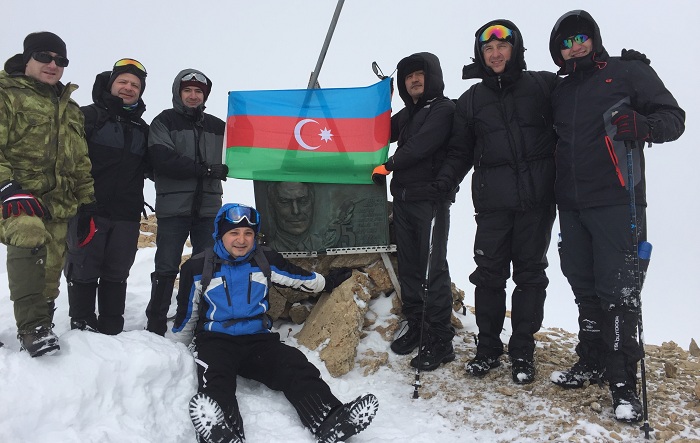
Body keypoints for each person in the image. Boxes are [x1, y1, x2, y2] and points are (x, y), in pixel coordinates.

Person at [547, 10, 684, 422]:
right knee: (582, 283)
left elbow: (673, 118)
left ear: (595, 39)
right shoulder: (560, 89)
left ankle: (623, 384)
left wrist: (644, 125)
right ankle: (591, 360)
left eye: (581, 38)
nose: (575, 47)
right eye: (566, 42)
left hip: (617, 199)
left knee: (619, 292)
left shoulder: (627, 72)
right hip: (570, 204)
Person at [170, 203, 378, 443]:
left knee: (294, 364)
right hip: (216, 341)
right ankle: (222, 432)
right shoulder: (197, 267)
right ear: (220, 234)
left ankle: (330, 419)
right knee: (215, 378)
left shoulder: (264, 260)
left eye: (248, 233)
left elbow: (299, 278)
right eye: (234, 233)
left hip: (258, 341)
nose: (242, 240)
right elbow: (187, 315)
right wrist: (174, 350)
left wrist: (327, 283)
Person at [437, 20, 558, 384]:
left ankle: (522, 351)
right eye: (488, 49)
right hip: (492, 205)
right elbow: (460, 151)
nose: (495, 54)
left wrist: (618, 69)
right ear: (481, 54)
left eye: (501, 46)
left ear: (514, 48)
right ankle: (488, 348)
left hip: (537, 202)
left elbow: (583, 94)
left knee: (530, 276)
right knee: (489, 277)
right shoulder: (472, 100)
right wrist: (446, 180)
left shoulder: (543, 85)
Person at [0, 32, 95, 356]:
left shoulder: (71, 109)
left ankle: (44, 320)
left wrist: (87, 204)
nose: (53, 65)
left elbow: (80, 160)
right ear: (27, 58)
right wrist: (7, 187)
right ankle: (33, 329)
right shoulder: (6, 93)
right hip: (14, 195)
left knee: (52, 270)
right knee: (28, 233)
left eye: (61, 60)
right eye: (45, 56)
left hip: (57, 203)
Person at [371, 52, 456, 371]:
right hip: (404, 201)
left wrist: (388, 165)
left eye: (420, 74)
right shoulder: (406, 115)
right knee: (409, 267)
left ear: (432, 76)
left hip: (430, 201)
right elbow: (379, 131)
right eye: (408, 77)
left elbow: (423, 145)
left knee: (433, 269)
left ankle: (440, 338)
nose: (414, 80)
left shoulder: (444, 109)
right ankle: (418, 326)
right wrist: (383, 98)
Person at [63, 58, 149, 334]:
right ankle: (82, 325)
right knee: (84, 268)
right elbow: (67, 159)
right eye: (122, 82)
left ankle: (113, 328)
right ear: (110, 84)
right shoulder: (88, 116)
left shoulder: (142, 129)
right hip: (89, 209)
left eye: (135, 85)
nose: (128, 88)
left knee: (117, 272)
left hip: (126, 214)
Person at [145, 69, 228, 335]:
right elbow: (162, 159)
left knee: (205, 266)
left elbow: (242, 152)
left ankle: (198, 319)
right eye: (187, 90)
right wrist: (204, 170)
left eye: (198, 91)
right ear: (178, 93)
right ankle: (155, 322)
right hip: (173, 208)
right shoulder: (164, 122)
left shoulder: (219, 127)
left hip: (208, 209)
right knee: (167, 266)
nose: (193, 96)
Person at [265, 181, 323, 252]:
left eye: (303, 201)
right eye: (284, 202)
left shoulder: (324, 244)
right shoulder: (267, 249)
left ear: (312, 202)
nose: (296, 211)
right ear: (272, 206)